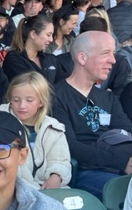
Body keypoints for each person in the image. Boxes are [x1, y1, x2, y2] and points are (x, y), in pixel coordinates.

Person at [54, 31, 132, 199]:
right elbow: (71, 147)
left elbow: (128, 131)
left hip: (119, 165)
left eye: (113, 53)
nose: (113, 60)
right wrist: (121, 161)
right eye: (106, 53)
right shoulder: (56, 96)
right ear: (82, 58)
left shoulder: (107, 97)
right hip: (86, 171)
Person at [0, 71, 71, 188]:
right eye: (16, 100)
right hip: (14, 188)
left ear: (41, 102)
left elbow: (60, 160)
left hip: (47, 189)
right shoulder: (0, 122)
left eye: (29, 100)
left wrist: (56, 176)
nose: (22, 105)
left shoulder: (53, 127)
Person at [3, 14, 56, 84]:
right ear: (33, 34)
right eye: (48, 35)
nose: (51, 40)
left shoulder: (50, 58)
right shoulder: (13, 59)